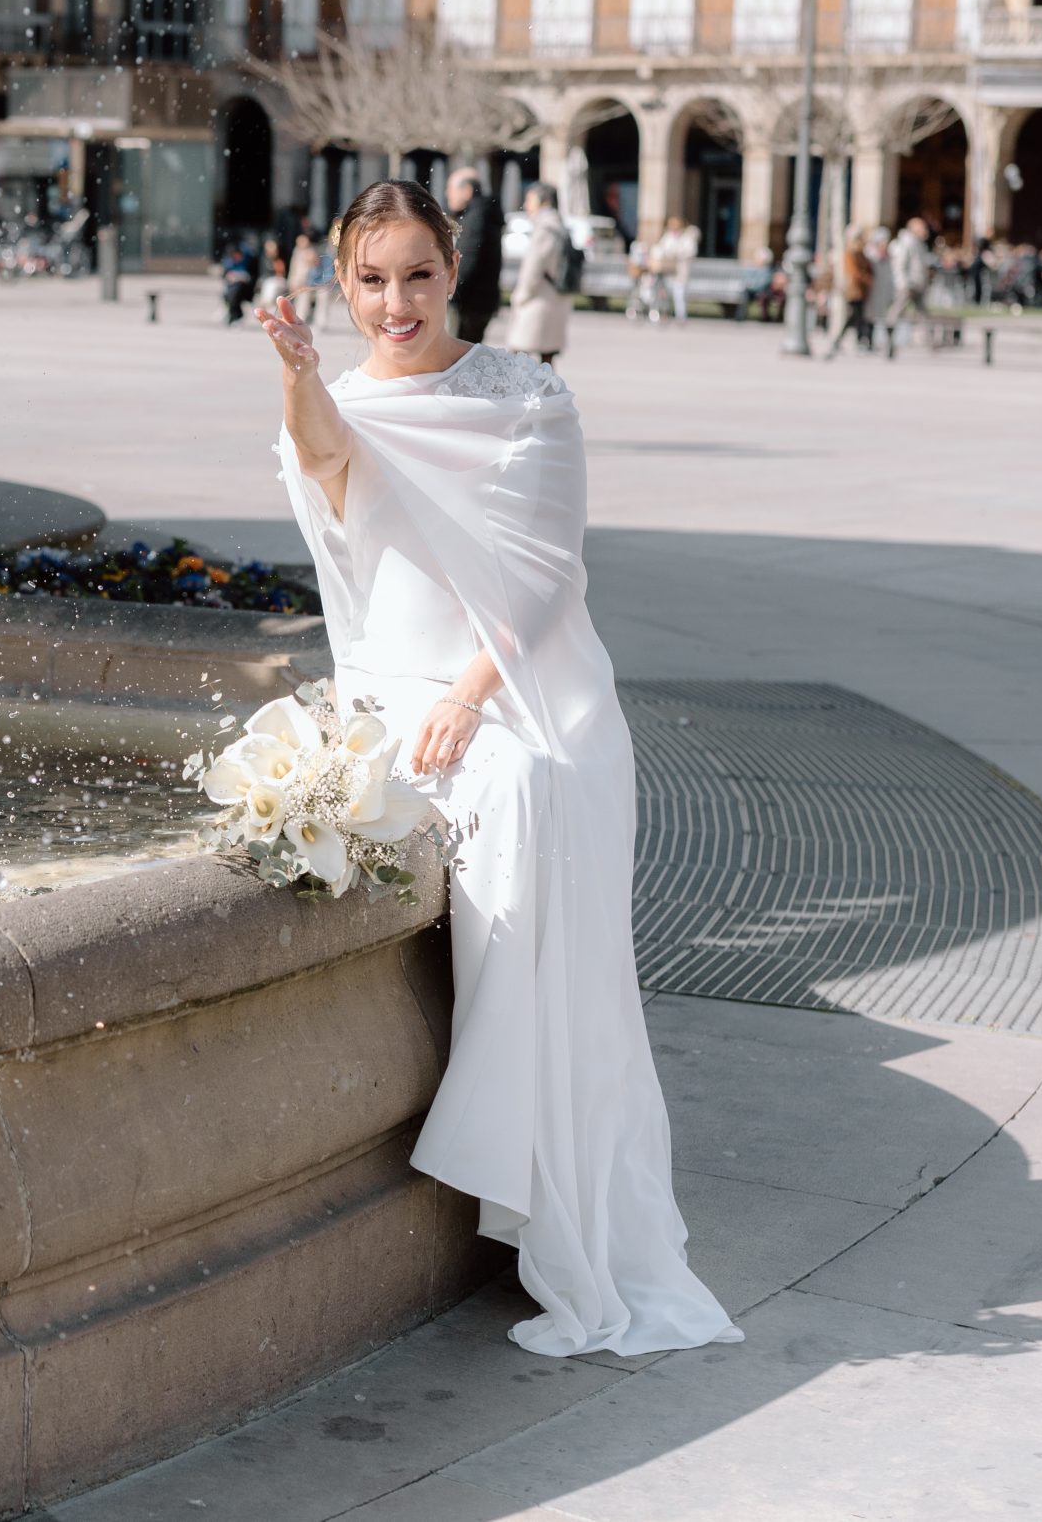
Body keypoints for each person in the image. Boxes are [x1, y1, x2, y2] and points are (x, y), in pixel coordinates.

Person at [254, 178, 744, 1360]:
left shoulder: (526, 395)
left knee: (525, 789)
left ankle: (539, 1170)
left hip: (522, 684)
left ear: (455, 264)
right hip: (395, 685)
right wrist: (297, 371)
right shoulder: (341, 394)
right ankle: (502, 1154)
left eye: (417, 273)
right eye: (371, 279)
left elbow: (545, 576)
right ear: (341, 279)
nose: (396, 302)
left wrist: (474, 701)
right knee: (431, 799)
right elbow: (329, 471)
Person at [503, 181, 572, 365]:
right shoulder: (559, 225)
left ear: (544, 202)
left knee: (519, 356)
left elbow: (533, 267)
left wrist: (521, 296)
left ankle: (525, 394)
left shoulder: (546, 228)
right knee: (546, 358)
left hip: (539, 300)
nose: (526, 205)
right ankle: (546, 393)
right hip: (554, 297)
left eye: (530, 199)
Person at [445, 167, 506, 342]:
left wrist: (452, 291)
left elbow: (468, 259)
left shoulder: (476, 217)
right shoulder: (483, 212)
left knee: (459, 355)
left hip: (470, 301)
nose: (447, 194)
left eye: (451, 189)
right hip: (481, 300)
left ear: (467, 190)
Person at [880, 216, 934, 343]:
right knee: (897, 311)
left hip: (917, 284)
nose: (925, 230)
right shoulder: (907, 242)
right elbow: (900, 265)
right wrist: (903, 283)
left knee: (922, 313)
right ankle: (888, 336)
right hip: (908, 285)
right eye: (922, 227)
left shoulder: (918, 243)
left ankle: (929, 340)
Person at [825, 236, 877, 356]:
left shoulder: (862, 255)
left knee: (856, 317)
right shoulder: (849, 254)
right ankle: (857, 341)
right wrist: (867, 279)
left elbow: (869, 269)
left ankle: (843, 341)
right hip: (854, 291)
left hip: (863, 291)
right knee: (855, 317)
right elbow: (853, 272)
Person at [652, 215, 698, 322]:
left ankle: (680, 316)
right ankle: (664, 313)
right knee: (664, 291)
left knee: (679, 293)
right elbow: (660, 249)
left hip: (681, 270)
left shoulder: (687, 236)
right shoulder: (668, 236)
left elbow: (690, 252)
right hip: (667, 269)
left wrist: (676, 253)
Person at [219, 239, 256, 326]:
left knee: (235, 293)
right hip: (232, 287)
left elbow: (253, 277)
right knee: (232, 294)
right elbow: (224, 275)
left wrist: (244, 279)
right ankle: (235, 315)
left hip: (244, 288)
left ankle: (235, 315)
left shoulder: (249, 261)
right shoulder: (229, 263)